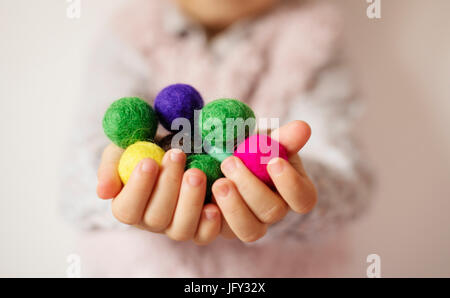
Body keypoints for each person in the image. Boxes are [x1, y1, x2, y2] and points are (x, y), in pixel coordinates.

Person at [61, 0, 373, 277]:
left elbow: (348, 181)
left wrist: (288, 194)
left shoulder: (314, 39)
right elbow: (78, 182)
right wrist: (122, 191)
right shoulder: (130, 34)